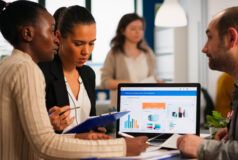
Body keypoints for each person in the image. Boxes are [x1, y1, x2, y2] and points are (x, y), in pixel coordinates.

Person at [0, 1, 148, 159]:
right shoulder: (27, 69)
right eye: (51, 31)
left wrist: (85, 136)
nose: (55, 39)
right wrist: (121, 146)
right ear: (27, 33)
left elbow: (29, 135)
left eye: (91, 43)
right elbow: (45, 144)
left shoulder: (10, 65)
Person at [177, 6, 238, 159]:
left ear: (231, 38)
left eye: (210, 37)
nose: (204, 48)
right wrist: (236, 133)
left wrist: (204, 148)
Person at [38, 6, 102, 135]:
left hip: (87, 151)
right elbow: (32, 128)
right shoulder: (41, 72)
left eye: (91, 43)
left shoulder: (88, 74)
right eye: (78, 44)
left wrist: (97, 128)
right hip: (59, 152)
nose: (86, 52)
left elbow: (91, 118)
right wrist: (49, 124)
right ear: (58, 37)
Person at [101, 13, 160, 108]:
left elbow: (154, 77)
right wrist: (124, 84)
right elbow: (105, 82)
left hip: (145, 105)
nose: (138, 32)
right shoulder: (114, 53)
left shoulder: (148, 53)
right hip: (121, 107)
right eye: (133, 29)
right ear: (123, 30)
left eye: (140, 29)